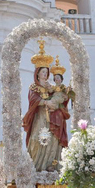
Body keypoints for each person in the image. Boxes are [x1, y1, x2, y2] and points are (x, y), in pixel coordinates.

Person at [22, 40, 62, 172]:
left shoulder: (50, 87)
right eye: (43, 72)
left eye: (46, 72)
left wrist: (54, 100)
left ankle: (50, 164)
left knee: (52, 139)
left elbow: (59, 97)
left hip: (51, 117)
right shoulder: (34, 86)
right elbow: (33, 99)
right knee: (36, 139)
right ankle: (35, 165)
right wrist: (45, 102)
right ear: (37, 73)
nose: (45, 74)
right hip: (39, 116)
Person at [48, 56, 71, 150]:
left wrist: (66, 96)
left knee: (60, 126)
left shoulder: (64, 89)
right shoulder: (53, 88)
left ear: (61, 79)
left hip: (61, 110)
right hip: (53, 110)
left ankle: (60, 143)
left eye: (58, 77)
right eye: (55, 78)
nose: (57, 79)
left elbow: (67, 98)